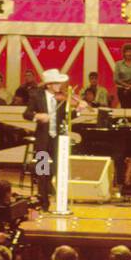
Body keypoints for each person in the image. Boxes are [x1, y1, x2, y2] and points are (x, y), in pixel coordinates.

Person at [23, 69, 89, 210]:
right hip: (42, 138)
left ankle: (60, 202)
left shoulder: (62, 97)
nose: (60, 86)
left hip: (57, 139)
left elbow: (66, 116)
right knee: (43, 170)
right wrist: (38, 116)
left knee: (58, 169)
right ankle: (43, 202)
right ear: (49, 84)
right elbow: (26, 114)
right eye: (57, 83)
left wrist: (78, 110)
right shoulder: (36, 96)